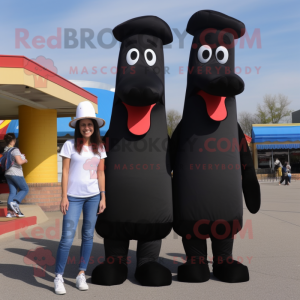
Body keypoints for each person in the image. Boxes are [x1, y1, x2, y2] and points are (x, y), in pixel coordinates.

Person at [54, 101, 106, 295]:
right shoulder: (69, 145)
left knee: (88, 236)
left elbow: (101, 173)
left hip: (93, 197)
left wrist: (103, 196)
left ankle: (81, 274)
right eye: (83, 124)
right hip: (73, 198)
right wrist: (64, 197)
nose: (86, 128)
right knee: (67, 237)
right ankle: (58, 276)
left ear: (94, 127)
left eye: (89, 124)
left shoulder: (99, 147)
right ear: (78, 126)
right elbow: (65, 172)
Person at [3, 133, 29, 217]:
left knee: (12, 192)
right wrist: (25, 160)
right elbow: (19, 162)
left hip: (8, 173)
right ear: (13, 140)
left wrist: (20, 157)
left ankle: (10, 213)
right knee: (25, 189)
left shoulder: (5, 150)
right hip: (16, 173)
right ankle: (15, 203)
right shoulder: (15, 150)